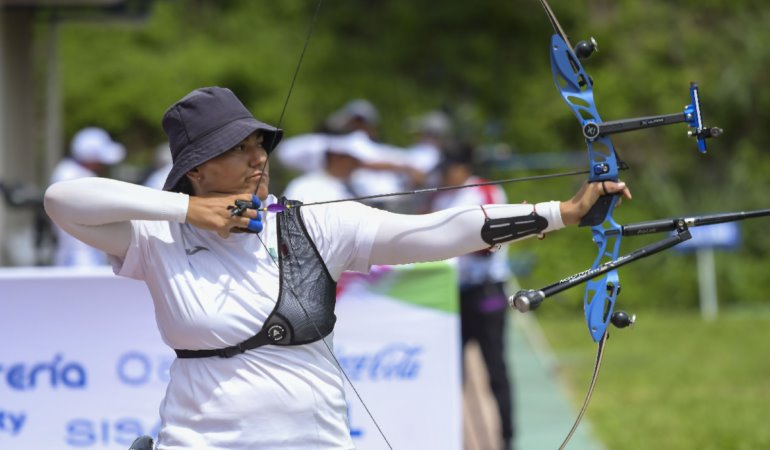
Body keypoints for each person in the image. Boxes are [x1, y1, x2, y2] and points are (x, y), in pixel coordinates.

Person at [43, 86, 631, 450]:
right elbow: (61, 201)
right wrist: (188, 211)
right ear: (196, 170)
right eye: (238, 149)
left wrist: (561, 213)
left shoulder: (313, 224)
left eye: (260, 145)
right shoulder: (157, 236)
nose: (258, 158)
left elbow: (432, 233)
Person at [430, 142, 516, 450]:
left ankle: (507, 439)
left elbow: (491, 241)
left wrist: (454, 239)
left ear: (464, 166)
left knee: (495, 367)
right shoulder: (440, 196)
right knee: (449, 368)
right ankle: (454, 437)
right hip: (451, 293)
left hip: (485, 291)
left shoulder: (485, 191)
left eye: (450, 167)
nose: (445, 173)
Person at [49, 126, 125, 266]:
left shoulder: (71, 171)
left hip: (85, 252)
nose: (102, 164)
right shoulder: (70, 175)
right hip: (79, 256)